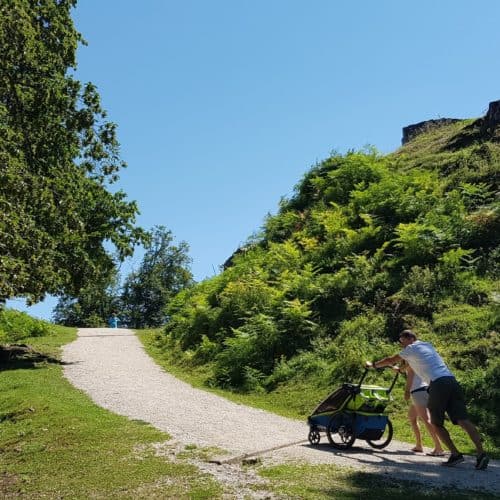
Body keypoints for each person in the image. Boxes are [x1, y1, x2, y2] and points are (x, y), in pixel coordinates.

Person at [366, 329, 489, 470]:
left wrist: (374, 365)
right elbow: (411, 364)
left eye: (402, 341)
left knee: (436, 423)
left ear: (409, 338)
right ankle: (481, 453)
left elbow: (390, 360)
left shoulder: (411, 348)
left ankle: (455, 454)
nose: (401, 345)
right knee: (463, 420)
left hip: (437, 384)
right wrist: (400, 370)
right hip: (451, 381)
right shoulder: (427, 345)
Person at [396, 361, 444, 456]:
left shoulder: (411, 362)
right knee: (412, 417)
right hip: (423, 390)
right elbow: (404, 368)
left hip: (418, 391)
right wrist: (398, 369)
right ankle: (419, 445)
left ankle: (439, 447)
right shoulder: (416, 361)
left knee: (426, 420)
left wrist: (406, 392)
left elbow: (410, 376)